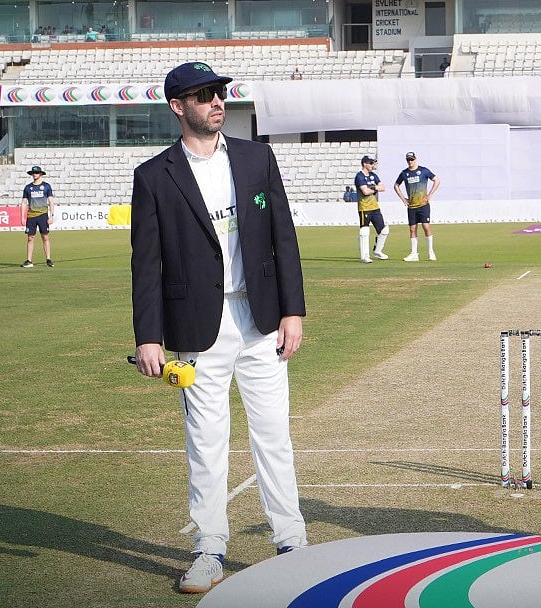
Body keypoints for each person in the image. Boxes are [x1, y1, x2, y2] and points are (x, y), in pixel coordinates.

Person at [129, 61, 308, 594]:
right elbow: (147, 264)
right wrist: (148, 335)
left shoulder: (257, 157)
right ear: (177, 107)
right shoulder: (153, 175)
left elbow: (285, 238)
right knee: (206, 445)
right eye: (203, 95)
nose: (216, 102)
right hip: (195, 328)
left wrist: (292, 310)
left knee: (274, 436)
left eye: (218, 93)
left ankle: (291, 543)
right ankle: (210, 550)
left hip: (261, 322)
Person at [393, 151, 440, 262]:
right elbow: (396, 185)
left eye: (412, 159)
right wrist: (403, 199)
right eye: (408, 160)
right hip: (412, 206)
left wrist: (429, 195)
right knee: (412, 229)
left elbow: (436, 180)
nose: (410, 162)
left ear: (416, 159)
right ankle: (414, 253)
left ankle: (430, 252)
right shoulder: (404, 173)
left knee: (426, 226)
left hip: (423, 205)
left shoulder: (423, 171)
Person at [353, 155, 390, 263]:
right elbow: (365, 192)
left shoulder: (374, 175)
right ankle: (364, 256)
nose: (373, 165)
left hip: (375, 207)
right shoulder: (359, 176)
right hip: (364, 207)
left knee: (384, 230)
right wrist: (375, 189)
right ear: (365, 164)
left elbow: (383, 187)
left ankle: (377, 251)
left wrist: (373, 188)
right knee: (364, 231)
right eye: (371, 163)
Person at [20, 165, 55, 268]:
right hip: (31, 216)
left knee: (45, 236)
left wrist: (51, 215)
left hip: (43, 215)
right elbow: (23, 202)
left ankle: (48, 259)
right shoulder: (28, 187)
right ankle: (29, 260)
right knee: (30, 238)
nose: (34, 175)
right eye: (33, 173)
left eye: (36, 173)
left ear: (40, 174)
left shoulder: (46, 186)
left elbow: (51, 201)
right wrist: (22, 216)